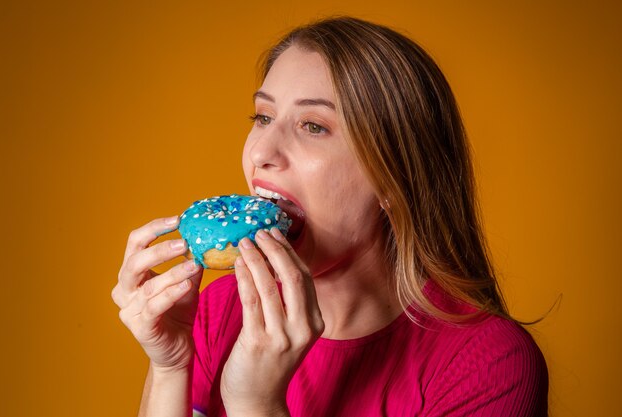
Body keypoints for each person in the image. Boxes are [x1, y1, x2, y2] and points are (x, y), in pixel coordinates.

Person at [112, 16, 549, 417]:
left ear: (392, 178)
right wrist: (170, 366)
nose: (260, 153)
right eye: (263, 116)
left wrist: (256, 404)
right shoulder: (220, 310)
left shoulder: (488, 364)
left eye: (313, 126)